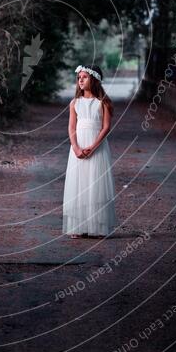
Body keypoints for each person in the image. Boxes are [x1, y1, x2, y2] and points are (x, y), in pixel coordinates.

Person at [63, 64, 117, 238]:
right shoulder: (75, 103)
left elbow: (106, 127)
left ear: (94, 80)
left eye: (84, 77)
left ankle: (98, 226)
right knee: (79, 184)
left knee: (95, 184)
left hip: (97, 147)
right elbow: (71, 127)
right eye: (79, 77)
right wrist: (76, 148)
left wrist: (93, 147)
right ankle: (78, 226)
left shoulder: (103, 103)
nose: (80, 80)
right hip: (78, 148)